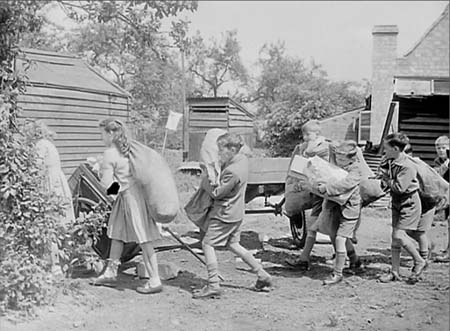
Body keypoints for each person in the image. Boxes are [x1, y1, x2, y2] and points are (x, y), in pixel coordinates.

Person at [193, 133, 272, 299]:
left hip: (224, 213)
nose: (220, 154)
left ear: (232, 149)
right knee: (234, 245)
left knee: (207, 244)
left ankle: (213, 285)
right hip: (236, 213)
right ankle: (262, 275)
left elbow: (216, 193)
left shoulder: (232, 171)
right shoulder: (242, 161)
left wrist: (205, 179)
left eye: (222, 150)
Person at [91, 119, 163, 294]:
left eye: (102, 134)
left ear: (110, 134)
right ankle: (111, 271)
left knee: (143, 238)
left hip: (129, 197)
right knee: (117, 233)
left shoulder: (109, 153)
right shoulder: (129, 148)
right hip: (135, 194)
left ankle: (154, 280)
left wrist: (98, 170)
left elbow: (108, 184)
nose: (101, 138)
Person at [27, 120, 75, 275]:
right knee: (62, 224)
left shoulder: (40, 145)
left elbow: (36, 167)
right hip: (58, 184)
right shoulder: (49, 144)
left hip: (50, 186)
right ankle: (68, 260)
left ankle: (54, 265)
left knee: (49, 225)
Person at [379, 133, 426, 283]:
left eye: (385, 148)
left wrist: (385, 178)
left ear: (395, 148)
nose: (383, 151)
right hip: (397, 202)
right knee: (394, 238)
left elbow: (400, 187)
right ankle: (394, 271)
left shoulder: (407, 166)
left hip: (409, 202)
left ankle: (419, 260)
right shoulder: (392, 160)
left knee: (400, 236)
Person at [285, 120, 331, 269]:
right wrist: (296, 180)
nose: (304, 137)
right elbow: (298, 167)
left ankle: (352, 258)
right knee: (315, 226)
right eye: (303, 134)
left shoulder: (323, 146)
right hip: (317, 192)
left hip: (328, 191)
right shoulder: (303, 148)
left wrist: (308, 146)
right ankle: (304, 259)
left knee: (330, 226)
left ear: (317, 134)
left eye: (308, 134)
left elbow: (310, 155)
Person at [316, 141, 363, 285]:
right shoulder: (337, 166)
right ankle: (355, 261)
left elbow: (345, 184)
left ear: (352, 158)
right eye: (338, 159)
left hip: (349, 209)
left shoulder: (356, 170)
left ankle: (337, 274)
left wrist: (327, 188)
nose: (339, 162)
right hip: (335, 206)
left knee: (340, 239)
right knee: (335, 234)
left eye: (343, 160)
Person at [433, 135, 449, 262]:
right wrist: (445, 165)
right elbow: (437, 175)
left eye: (443, 147)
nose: (440, 150)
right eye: (438, 147)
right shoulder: (438, 161)